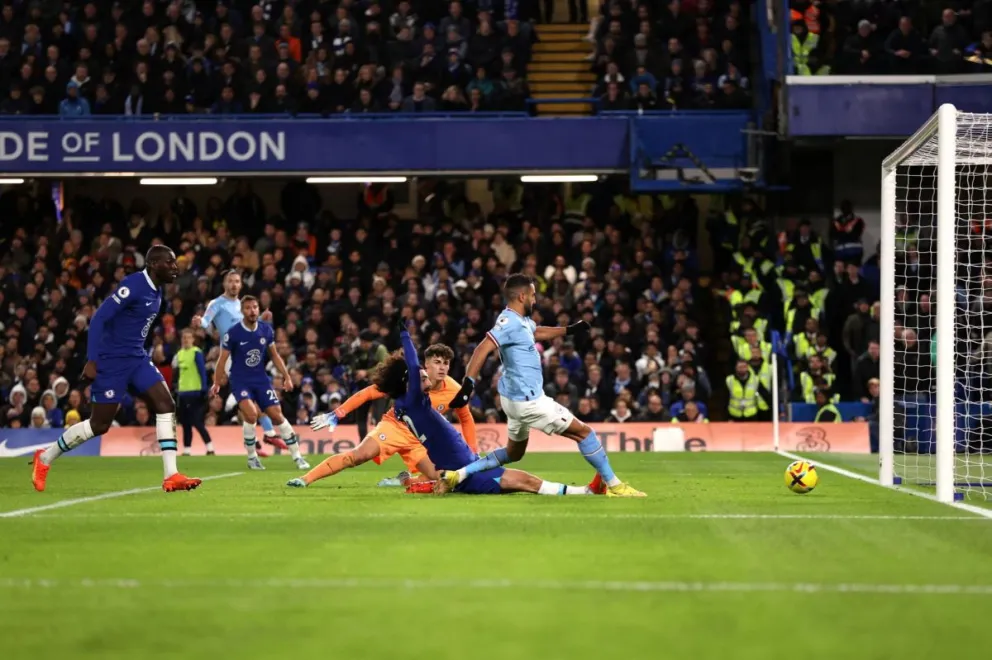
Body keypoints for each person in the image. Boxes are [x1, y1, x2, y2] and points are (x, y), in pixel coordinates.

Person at [444, 273, 645, 497]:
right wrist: (467, 386)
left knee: (514, 452)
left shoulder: (521, 321)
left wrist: (569, 330)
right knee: (585, 433)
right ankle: (615, 486)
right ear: (521, 296)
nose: (535, 300)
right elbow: (483, 347)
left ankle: (461, 473)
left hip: (511, 400)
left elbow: (536, 331)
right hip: (529, 401)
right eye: (532, 295)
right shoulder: (508, 322)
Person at [31, 246, 201, 493]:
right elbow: (100, 317)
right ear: (154, 264)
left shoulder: (157, 292)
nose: (176, 268)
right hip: (112, 362)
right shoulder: (134, 285)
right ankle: (45, 458)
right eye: (170, 263)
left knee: (166, 404)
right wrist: (92, 359)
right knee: (99, 425)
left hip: (136, 359)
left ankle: (171, 475)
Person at [364, 321, 597, 496]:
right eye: (422, 377)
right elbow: (413, 364)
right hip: (465, 473)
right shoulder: (413, 399)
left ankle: (426, 484)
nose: (425, 378)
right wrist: (405, 334)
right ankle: (585, 492)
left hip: (464, 465)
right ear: (409, 383)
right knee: (525, 482)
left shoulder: (408, 404)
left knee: (522, 479)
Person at [290, 342, 477, 488]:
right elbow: (368, 393)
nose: (442, 367)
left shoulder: (454, 389)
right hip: (395, 426)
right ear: (426, 364)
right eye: (437, 362)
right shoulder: (409, 379)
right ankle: (305, 479)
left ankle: (404, 481)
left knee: (441, 478)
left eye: (446, 363)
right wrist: (338, 413)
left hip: (420, 439)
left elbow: (466, 418)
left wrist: (474, 453)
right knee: (360, 456)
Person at [191, 270, 285, 455]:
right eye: (230, 281)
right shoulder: (217, 303)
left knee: (247, 400)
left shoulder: (242, 305)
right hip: (232, 355)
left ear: (241, 284)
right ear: (225, 284)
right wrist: (199, 321)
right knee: (252, 397)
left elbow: (248, 324)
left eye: (237, 281)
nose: (234, 284)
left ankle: (258, 438)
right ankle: (268, 433)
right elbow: (206, 321)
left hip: (249, 353)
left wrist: (260, 319)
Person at [211, 296, 310, 471]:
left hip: (261, 379)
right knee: (251, 415)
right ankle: (252, 458)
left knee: (277, 415)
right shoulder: (233, 333)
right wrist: (217, 382)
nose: (252, 311)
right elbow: (222, 360)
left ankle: (298, 457)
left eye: (255, 307)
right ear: (242, 311)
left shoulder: (266, 330)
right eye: (248, 308)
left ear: (258, 309)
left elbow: (275, 355)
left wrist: (286, 376)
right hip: (240, 380)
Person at [173, 328, 214, 456]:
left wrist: (204, 389)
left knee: (196, 421)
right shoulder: (179, 354)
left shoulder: (196, 352)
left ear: (193, 339)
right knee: (185, 422)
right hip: (183, 392)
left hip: (195, 392)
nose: (185, 340)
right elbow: (178, 374)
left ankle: (210, 447)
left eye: (188, 337)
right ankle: (187, 449)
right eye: (183, 338)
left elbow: (202, 372)